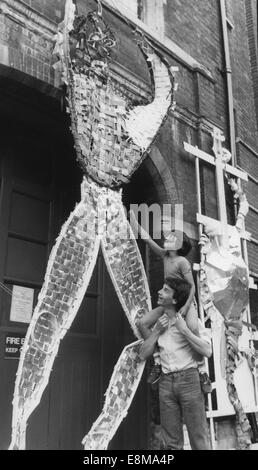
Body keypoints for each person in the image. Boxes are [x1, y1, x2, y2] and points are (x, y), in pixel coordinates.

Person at [137, 277, 212, 450]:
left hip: (189, 380)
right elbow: (142, 354)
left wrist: (184, 330)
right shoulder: (159, 323)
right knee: (171, 443)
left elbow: (207, 351)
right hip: (166, 382)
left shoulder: (191, 323)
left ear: (176, 300)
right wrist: (156, 332)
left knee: (198, 439)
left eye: (165, 290)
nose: (159, 292)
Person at [130, 211, 198, 382]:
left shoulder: (182, 261)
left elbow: (192, 287)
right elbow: (147, 239)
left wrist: (186, 307)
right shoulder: (164, 255)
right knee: (142, 323)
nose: (167, 239)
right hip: (169, 303)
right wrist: (134, 221)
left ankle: (202, 371)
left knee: (192, 326)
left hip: (184, 301)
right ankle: (158, 361)